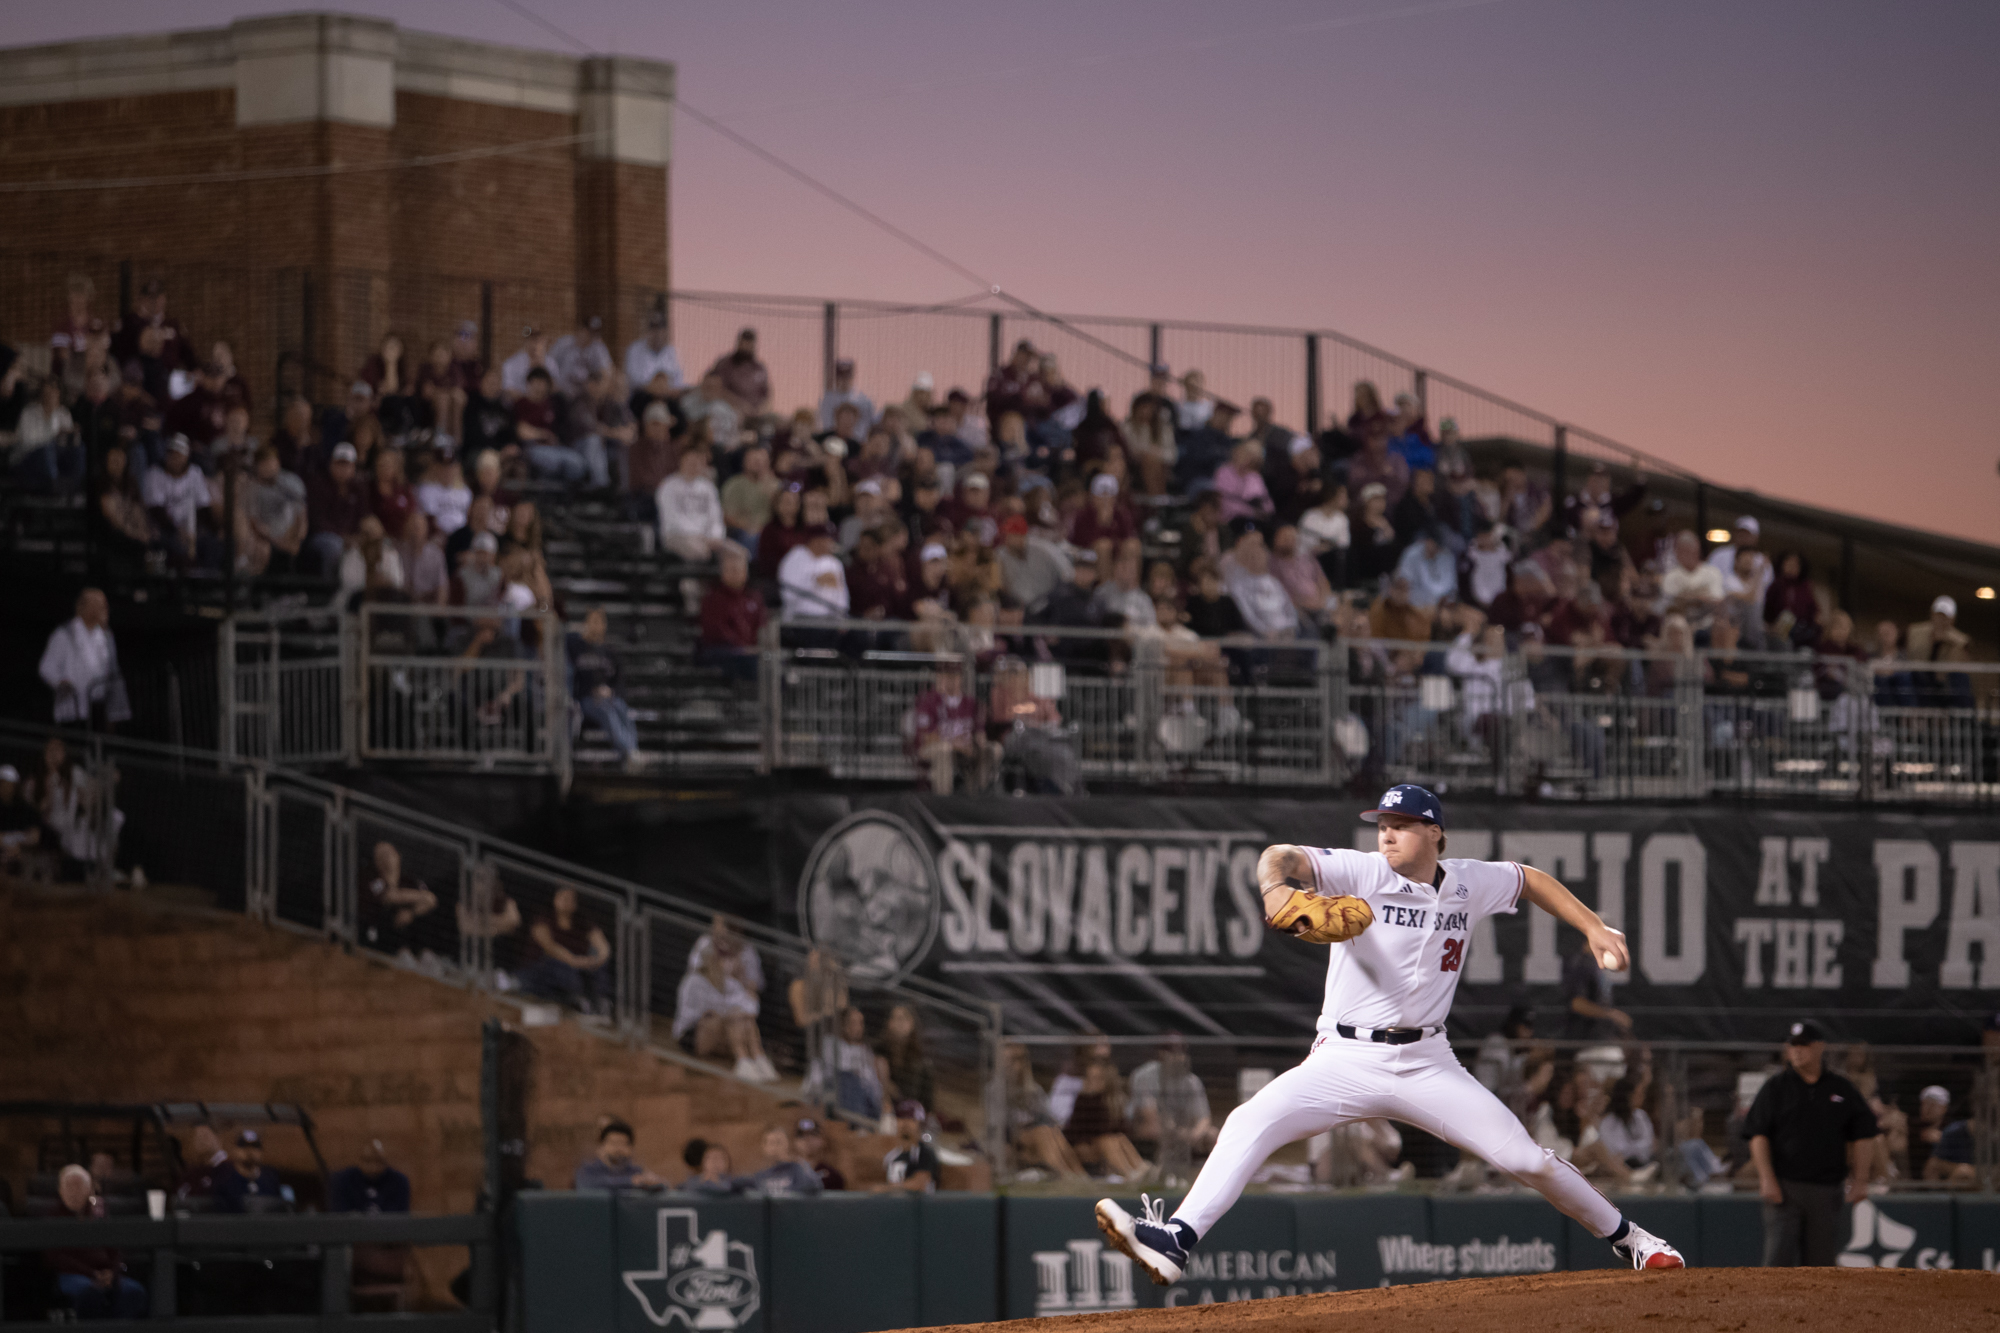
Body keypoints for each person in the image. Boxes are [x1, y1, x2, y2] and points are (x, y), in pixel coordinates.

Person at [1095, 783, 1686, 1285]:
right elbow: (1280, 854)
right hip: (1344, 1057)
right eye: (1383, 824)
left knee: (1527, 1160)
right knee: (1249, 1120)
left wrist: (1592, 926)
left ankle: (1633, 1240)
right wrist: (1277, 887)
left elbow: (1528, 879)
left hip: (1428, 1061)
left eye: (1402, 825)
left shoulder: (1471, 883)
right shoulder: (1363, 870)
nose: (1387, 834)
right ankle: (1177, 1238)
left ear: (1436, 835)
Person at [1745, 1020, 1879, 1266]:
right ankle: (1769, 1306)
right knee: (1776, 1261)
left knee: (1821, 1265)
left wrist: (1861, 1180)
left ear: (1819, 1047)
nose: (1797, 1051)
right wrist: (1766, 1178)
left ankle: (1817, 1307)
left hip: (1827, 1190)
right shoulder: (1776, 1087)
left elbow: (1864, 1133)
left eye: (1803, 1045)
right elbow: (1758, 1134)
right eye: (1793, 1045)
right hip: (1785, 1189)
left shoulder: (1841, 1088)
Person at [45, 1165, 148, 1319]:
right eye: (69, 1186)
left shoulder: (99, 1215)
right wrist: (92, 1274)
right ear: (60, 1190)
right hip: (72, 1274)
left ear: (89, 1190)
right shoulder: (52, 1219)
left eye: (79, 1186)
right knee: (90, 1293)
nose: (74, 1192)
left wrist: (112, 1273)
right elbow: (55, 1258)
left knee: (133, 1292)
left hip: (105, 1274)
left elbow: (115, 1250)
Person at [40, 588, 130, 731]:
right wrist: (60, 682)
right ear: (85, 607)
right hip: (74, 708)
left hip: (100, 707)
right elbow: (47, 667)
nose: (104, 609)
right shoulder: (65, 634)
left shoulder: (105, 636)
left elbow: (112, 670)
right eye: (99, 605)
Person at [520, 886, 613, 1015]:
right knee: (561, 966)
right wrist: (573, 960)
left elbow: (604, 947)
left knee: (600, 964)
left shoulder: (583, 921)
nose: (567, 902)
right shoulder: (543, 919)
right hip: (543, 970)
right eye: (563, 897)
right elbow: (549, 947)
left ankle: (601, 1004)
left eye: (571, 899)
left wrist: (596, 960)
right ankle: (577, 1002)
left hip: (580, 965)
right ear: (554, 899)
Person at [568, 608, 642, 769]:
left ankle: (633, 752)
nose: (596, 625)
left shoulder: (610, 652)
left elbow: (620, 682)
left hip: (608, 698)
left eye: (599, 622)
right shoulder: (576, 647)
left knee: (622, 708)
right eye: (592, 621)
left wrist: (610, 691)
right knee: (606, 711)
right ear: (585, 623)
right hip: (585, 699)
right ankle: (628, 752)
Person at [1127, 1034, 1217, 1166]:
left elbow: (1204, 1118)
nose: (1179, 1057)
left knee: (1213, 1134)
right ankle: (1158, 1167)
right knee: (1154, 1128)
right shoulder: (1144, 1075)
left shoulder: (1192, 1081)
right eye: (1174, 1052)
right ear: (1161, 1054)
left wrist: (1194, 1135)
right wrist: (1180, 1133)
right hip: (1151, 1126)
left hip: (1183, 1130)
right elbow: (1149, 1115)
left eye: (1182, 1052)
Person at [360, 840, 439, 960]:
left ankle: (425, 955)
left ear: (398, 856)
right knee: (389, 912)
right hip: (385, 935)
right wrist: (392, 881)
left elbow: (431, 899)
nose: (385, 860)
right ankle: (402, 953)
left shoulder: (409, 880)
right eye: (380, 856)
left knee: (423, 915)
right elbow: (389, 897)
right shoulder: (373, 881)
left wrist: (411, 913)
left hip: (410, 930)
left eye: (388, 854)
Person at [656, 442, 726, 562]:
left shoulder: (708, 487)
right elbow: (672, 518)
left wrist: (715, 536)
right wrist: (699, 536)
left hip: (707, 538)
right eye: (691, 460)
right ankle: (690, 581)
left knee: (738, 555)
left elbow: (715, 517)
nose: (695, 464)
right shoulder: (668, 486)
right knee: (700, 553)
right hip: (677, 536)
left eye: (699, 461)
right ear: (682, 461)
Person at [574, 1120, 666, 1191]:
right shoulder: (588, 1170)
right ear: (601, 1146)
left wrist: (653, 1182)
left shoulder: (635, 1171)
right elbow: (586, 1185)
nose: (618, 1149)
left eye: (623, 1144)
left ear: (630, 1148)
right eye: (613, 1143)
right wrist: (630, 1181)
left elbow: (663, 1187)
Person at [330, 1139, 412, 1212]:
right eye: (367, 1161)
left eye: (379, 1161)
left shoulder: (399, 1182)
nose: (373, 1168)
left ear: (386, 1161)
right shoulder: (342, 1180)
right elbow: (339, 1218)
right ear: (358, 1160)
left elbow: (401, 1219)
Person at [214, 1129, 287, 1212]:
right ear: (235, 1150)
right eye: (243, 1146)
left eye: (255, 1146)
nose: (250, 1151)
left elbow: (280, 1209)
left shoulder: (271, 1179)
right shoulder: (225, 1181)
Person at [876, 1101, 940, 1194]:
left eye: (911, 1119)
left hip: (921, 1206)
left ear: (919, 1124)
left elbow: (920, 1184)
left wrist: (886, 1188)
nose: (905, 1123)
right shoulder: (891, 1155)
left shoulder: (925, 1153)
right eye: (901, 1118)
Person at [747, 1124, 824, 1196]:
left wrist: (801, 1164)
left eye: (779, 1142)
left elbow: (816, 1187)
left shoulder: (796, 1169)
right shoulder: (759, 1176)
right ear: (764, 1147)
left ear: (787, 1145)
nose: (775, 1147)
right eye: (771, 1143)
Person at [791, 1116, 846, 1191]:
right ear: (794, 1142)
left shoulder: (832, 1176)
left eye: (813, 1134)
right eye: (801, 1135)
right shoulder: (788, 1174)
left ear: (822, 1140)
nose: (807, 1139)